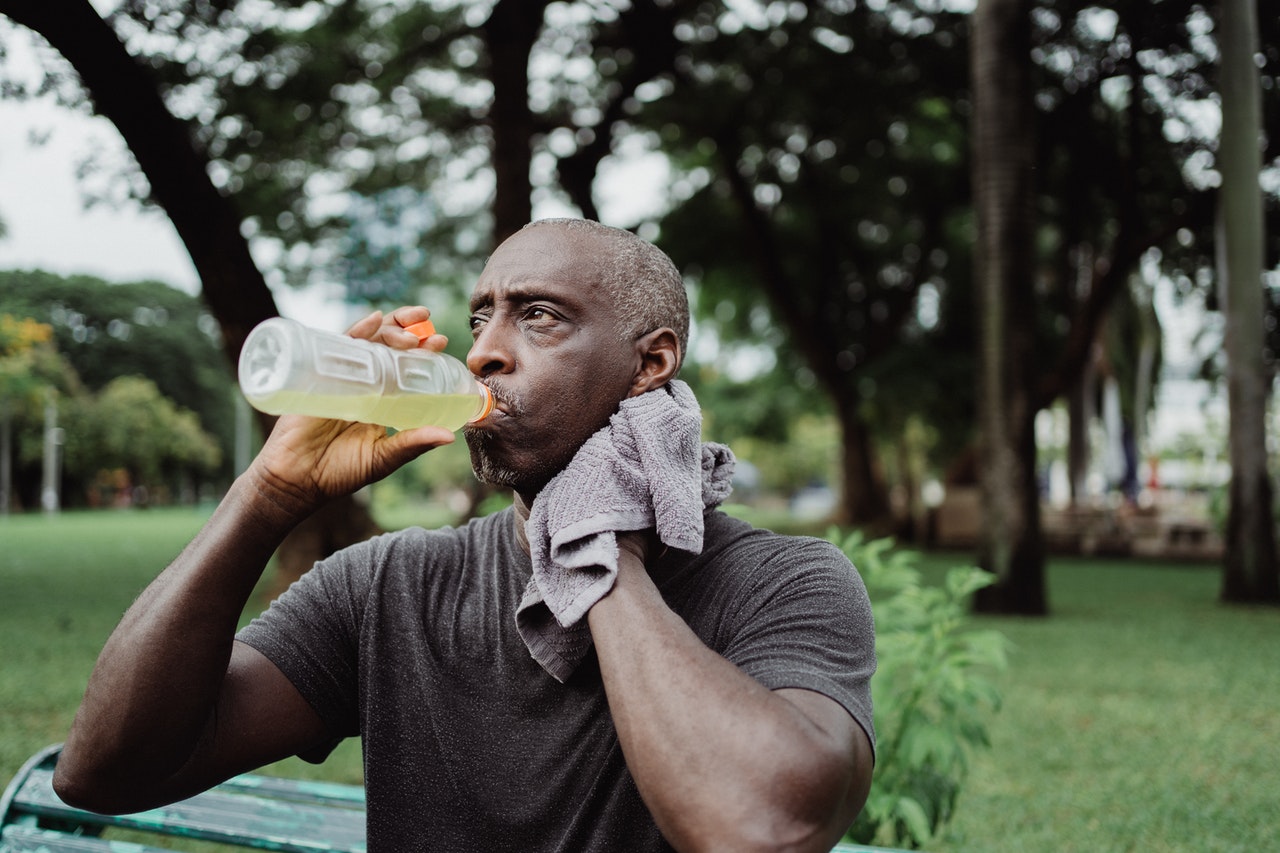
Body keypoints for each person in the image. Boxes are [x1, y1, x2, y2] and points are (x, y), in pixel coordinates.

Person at [54, 219, 877, 852]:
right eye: (482, 317)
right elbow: (104, 771)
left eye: (540, 317)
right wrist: (266, 495)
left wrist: (596, 544)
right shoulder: (389, 585)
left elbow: (763, 825)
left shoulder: (785, 582)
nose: (484, 351)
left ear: (649, 364)